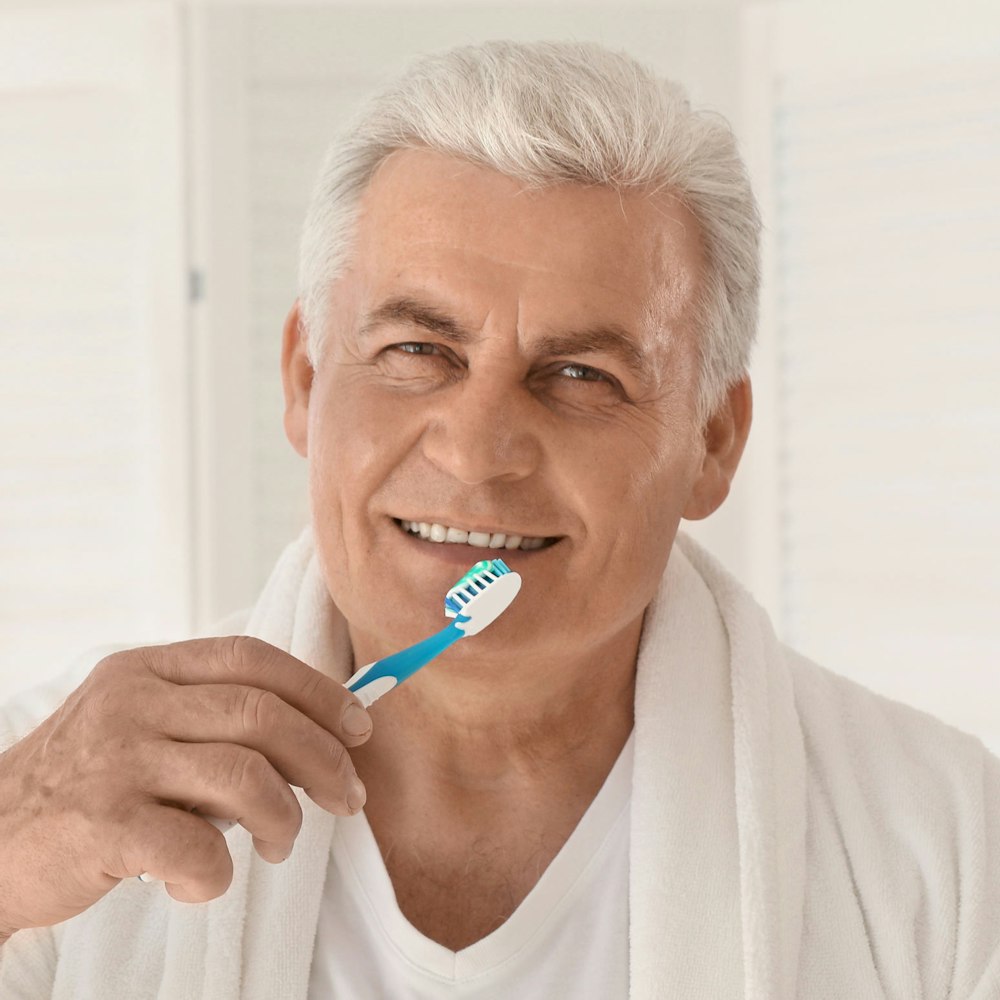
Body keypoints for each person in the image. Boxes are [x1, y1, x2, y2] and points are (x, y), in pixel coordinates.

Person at [1, 39, 998, 1000]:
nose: (476, 452)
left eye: (581, 375)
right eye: (416, 351)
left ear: (712, 442)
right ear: (305, 381)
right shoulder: (52, 799)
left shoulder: (946, 848)